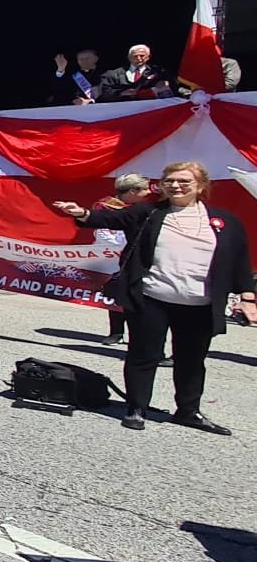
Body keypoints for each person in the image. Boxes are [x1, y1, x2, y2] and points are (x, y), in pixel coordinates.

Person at [54, 162, 252, 434]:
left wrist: (248, 296)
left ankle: (188, 411)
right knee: (143, 355)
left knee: (191, 360)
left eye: (184, 181)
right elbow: (111, 219)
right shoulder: (148, 212)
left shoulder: (223, 220)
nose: (176, 185)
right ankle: (136, 408)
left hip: (200, 303)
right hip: (151, 298)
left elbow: (238, 260)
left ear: (201, 186)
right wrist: (82, 213)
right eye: (169, 180)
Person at [90, 174, 155, 344]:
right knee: (117, 292)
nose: (149, 192)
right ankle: (116, 332)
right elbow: (103, 232)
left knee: (139, 296)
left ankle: (140, 337)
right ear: (133, 191)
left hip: (140, 255)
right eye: (145, 189)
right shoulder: (105, 206)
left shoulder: (149, 207)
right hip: (114, 254)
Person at [97, 45, 169, 103]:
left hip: (150, 108)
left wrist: (165, 84)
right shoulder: (113, 74)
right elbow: (103, 94)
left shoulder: (159, 72)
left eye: (142, 56)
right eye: (135, 56)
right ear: (129, 57)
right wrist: (121, 93)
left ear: (148, 57)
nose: (139, 58)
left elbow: (171, 90)